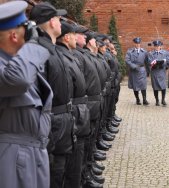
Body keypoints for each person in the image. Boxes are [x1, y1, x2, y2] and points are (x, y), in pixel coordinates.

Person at [0, 1, 52, 188]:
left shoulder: (17, 61)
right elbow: (18, 80)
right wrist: (33, 44)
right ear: (14, 35)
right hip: (11, 157)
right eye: (27, 30)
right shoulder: (12, 66)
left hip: (32, 153)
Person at [29, 2, 75, 187]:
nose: (60, 22)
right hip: (51, 124)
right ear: (50, 22)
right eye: (57, 18)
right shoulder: (40, 51)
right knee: (53, 172)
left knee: (60, 169)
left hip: (61, 122)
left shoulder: (52, 49)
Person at [56, 21, 90, 188]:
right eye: (78, 34)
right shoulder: (63, 56)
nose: (82, 37)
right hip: (70, 114)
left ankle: (83, 177)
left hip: (78, 111)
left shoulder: (71, 55)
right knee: (67, 163)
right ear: (68, 37)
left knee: (77, 156)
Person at [72, 25, 105, 188]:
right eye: (84, 36)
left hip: (92, 101)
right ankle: (85, 175)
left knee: (90, 139)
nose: (87, 39)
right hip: (84, 104)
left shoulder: (84, 55)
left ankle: (88, 170)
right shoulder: (78, 56)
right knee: (82, 145)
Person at [125, 37, 149, 105]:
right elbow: (127, 60)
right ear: (134, 43)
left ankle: (144, 99)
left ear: (140, 43)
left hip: (142, 70)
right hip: (134, 71)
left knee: (143, 85)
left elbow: (147, 62)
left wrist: (148, 71)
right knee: (135, 86)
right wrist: (134, 66)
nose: (137, 44)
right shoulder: (130, 51)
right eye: (136, 43)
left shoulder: (144, 51)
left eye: (139, 43)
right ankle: (137, 99)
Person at [147, 40, 168, 106]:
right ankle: (157, 100)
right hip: (154, 72)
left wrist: (165, 66)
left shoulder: (164, 53)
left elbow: (167, 61)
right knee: (155, 87)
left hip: (162, 71)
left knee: (163, 86)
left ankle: (163, 100)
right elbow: (149, 62)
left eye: (158, 46)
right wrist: (154, 64)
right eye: (156, 46)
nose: (157, 47)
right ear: (154, 46)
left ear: (160, 46)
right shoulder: (151, 53)